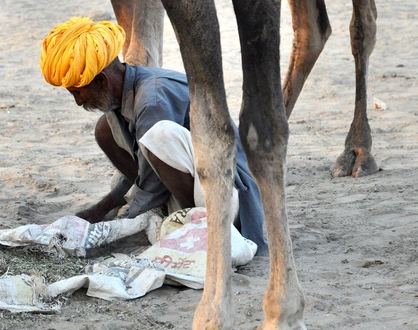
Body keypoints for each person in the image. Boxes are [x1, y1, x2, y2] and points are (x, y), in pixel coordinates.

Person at [40, 16, 268, 254]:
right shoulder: (125, 97)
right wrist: (99, 210)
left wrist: (120, 226)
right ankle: (175, 217)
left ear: (101, 80)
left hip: (227, 196)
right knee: (104, 129)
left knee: (160, 136)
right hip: (191, 185)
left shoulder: (151, 101)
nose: (78, 102)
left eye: (78, 92)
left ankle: (196, 227)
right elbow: (142, 173)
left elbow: (151, 184)